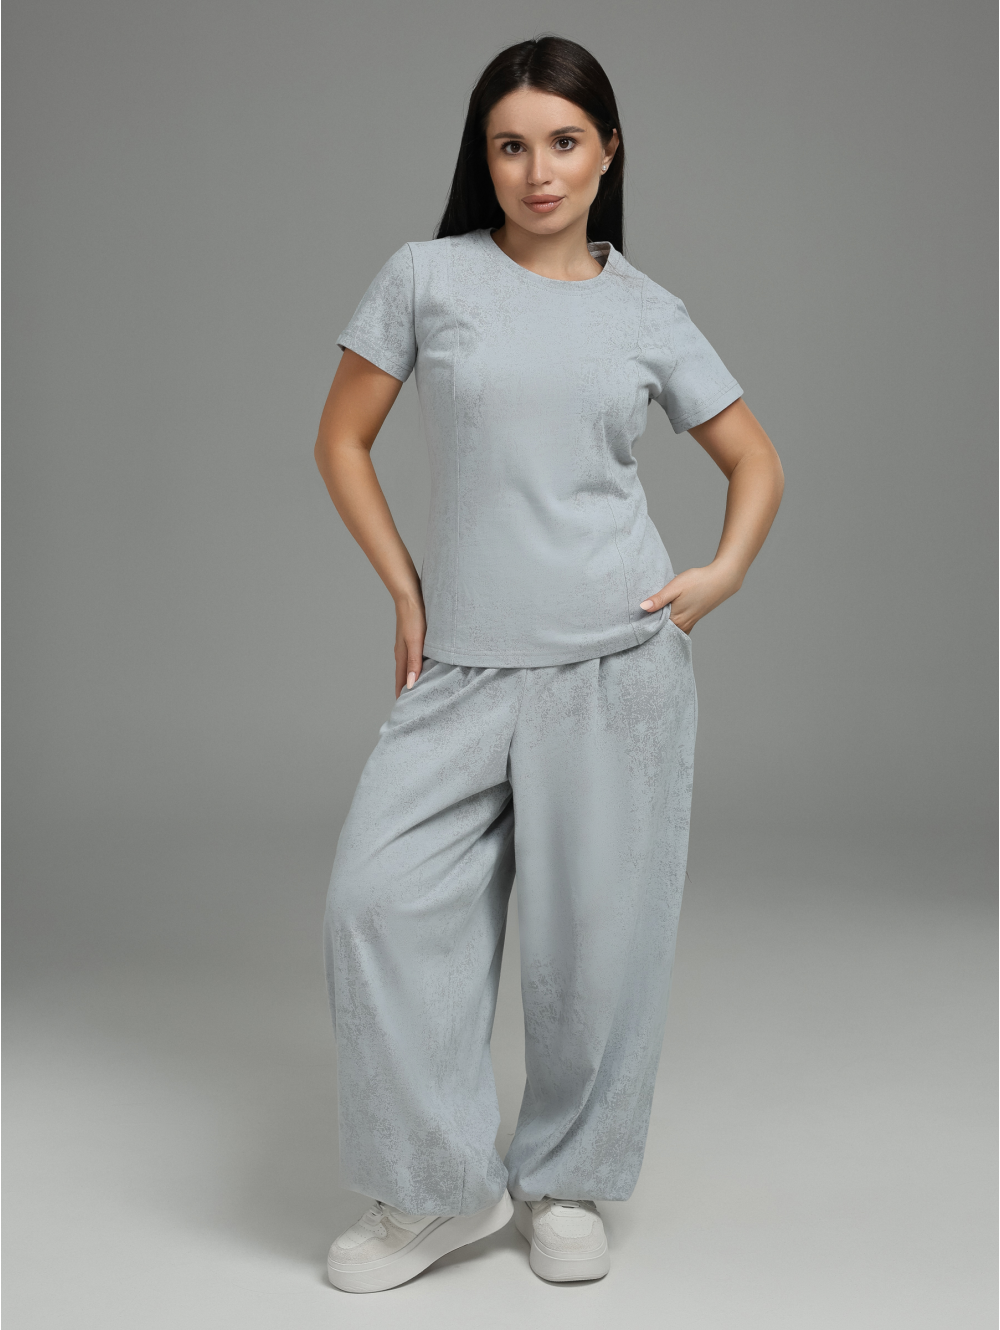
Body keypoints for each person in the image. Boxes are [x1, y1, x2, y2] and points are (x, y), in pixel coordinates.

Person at [313, 35, 784, 1294]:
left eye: (564, 142)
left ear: (607, 151)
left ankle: (565, 1180)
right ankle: (437, 1186)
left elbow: (755, 460)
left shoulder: (646, 311)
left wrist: (720, 575)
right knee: (375, 903)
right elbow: (341, 439)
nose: (538, 172)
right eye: (511, 145)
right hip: (463, 670)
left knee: (595, 950)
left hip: (616, 669)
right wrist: (404, 586)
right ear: (484, 157)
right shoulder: (426, 278)